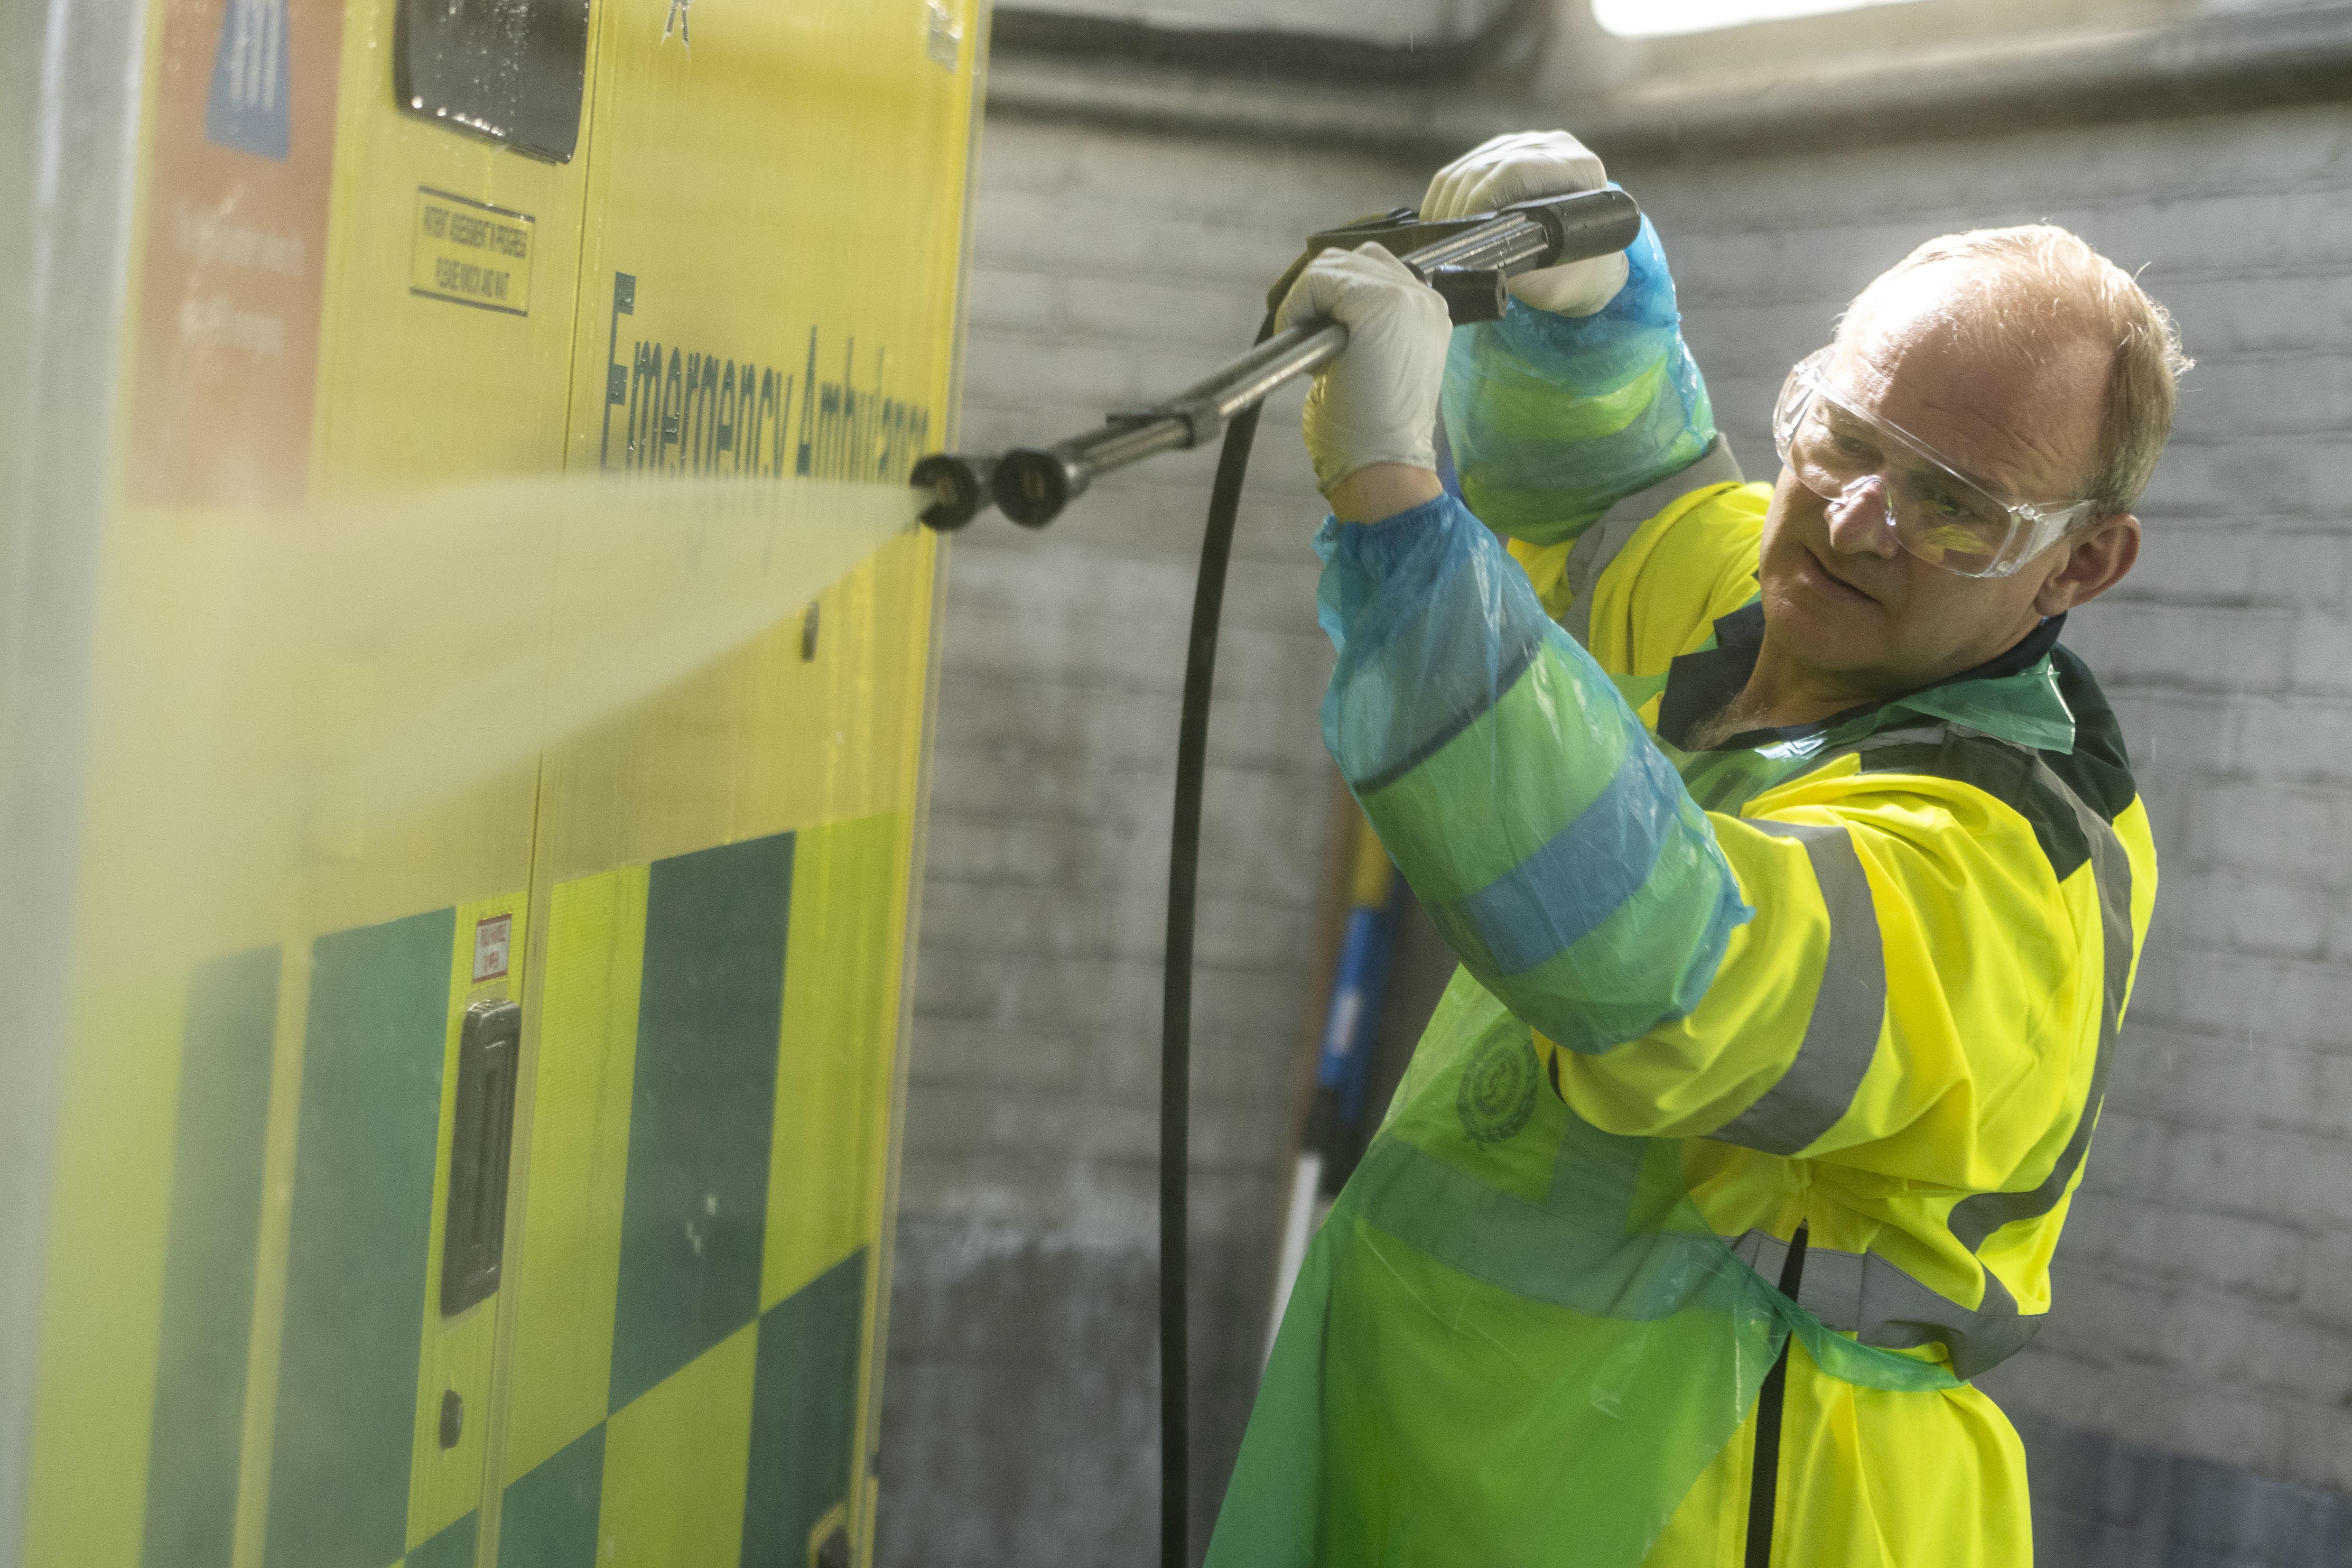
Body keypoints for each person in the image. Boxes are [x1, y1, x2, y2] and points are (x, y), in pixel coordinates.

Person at [1206, 131, 2189, 1568]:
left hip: (1737, 1501)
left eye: (1955, 506)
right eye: (1848, 439)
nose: (1861, 520)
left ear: (2082, 562)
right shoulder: (1780, 606)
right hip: (1469, 1457)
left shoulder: (2004, 867)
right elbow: (1612, 503)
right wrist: (1591, 302)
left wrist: (1397, 511)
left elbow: (1674, 965)